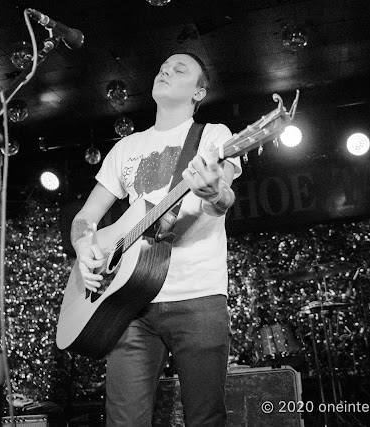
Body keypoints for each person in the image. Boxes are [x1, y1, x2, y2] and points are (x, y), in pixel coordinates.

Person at [69, 52, 241, 426]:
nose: (166, 70)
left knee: (205, 419)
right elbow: (86, 218)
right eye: (163, 67)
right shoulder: (124, 149)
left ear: (199, 92)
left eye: (180, 70)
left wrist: (212, 193)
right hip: (129, 303)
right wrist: (85, 246)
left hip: (197, 296)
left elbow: (223, 198)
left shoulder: (213, 137)